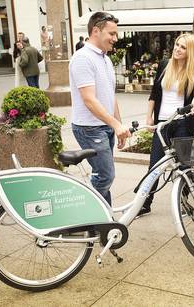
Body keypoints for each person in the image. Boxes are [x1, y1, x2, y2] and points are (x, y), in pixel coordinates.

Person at [140, 33, 194, 217]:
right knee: (154, 166)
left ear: (190, 51)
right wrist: (149, 118)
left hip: (183, 123)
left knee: (184, 166)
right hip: (163, 124)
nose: (177, 48)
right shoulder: (164, 65)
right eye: (177, 45)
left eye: (183, 47)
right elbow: (154, 93)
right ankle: (145, 203)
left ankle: (184, 202)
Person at [69, 12, 130, 206]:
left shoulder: (105, 59)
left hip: (104, 126)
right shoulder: (82, 58)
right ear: (96, 31)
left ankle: (104, 220)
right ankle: (85, 209)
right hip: (89, 127)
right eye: (111, 33)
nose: (115, 38)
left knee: (103, 175)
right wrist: (114, 124)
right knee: (105, 176)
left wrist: (117, 126)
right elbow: (89, 100)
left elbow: (110, 96)